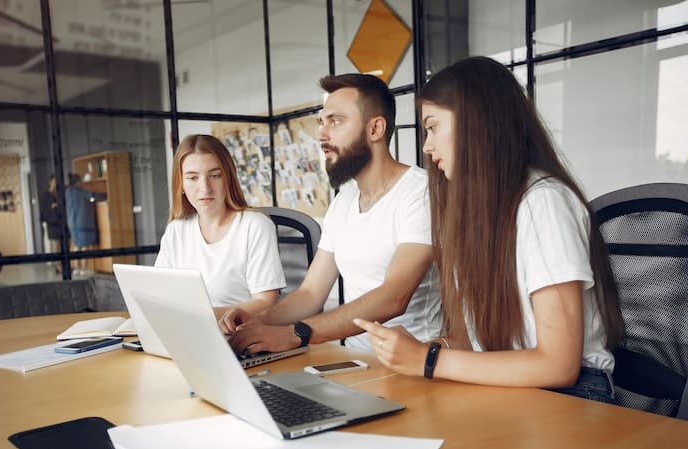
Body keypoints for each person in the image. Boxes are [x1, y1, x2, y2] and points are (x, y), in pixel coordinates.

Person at [354, 56, 624, 404]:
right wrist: (429, 348)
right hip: (508, 388)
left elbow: (559, 365)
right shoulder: (479, 214)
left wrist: (430, 360)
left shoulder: (543, 202)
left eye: (433, 127)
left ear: (476, 123)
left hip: (572, 395)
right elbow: (475, 343)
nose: (427, 146)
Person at [221, 73, 441, 354]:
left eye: (336, 121)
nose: (322, 135)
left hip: (411, 367)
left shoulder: (420, 193)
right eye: (322, 122)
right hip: (353, 362)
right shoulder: (344, 201)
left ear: (375, 129)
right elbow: (311, 293)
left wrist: (296, 333)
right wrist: (256, 322)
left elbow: (393, 297)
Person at [154, 134, 286, 320]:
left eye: (214, 176)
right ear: (181, 184)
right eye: (192, 178)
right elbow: (159, 294)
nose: (205, 188)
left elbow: (266, 302)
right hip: (187, 333)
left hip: (241, 336)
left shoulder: (255, 226)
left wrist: (204, 316)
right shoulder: (176, 230)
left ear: (228, 179)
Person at [65, 172, 99, 275]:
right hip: (83, 223)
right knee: (85, 247)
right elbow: (92, 196)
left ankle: (77, 268)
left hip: (72, 223)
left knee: (76, 246)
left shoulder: (68, 192)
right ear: (78, 182)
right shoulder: (81, 192)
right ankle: (84, 269)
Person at [40, 175, 63, 272]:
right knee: (56, 244)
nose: (55, 183)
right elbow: (44, 210)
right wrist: (52, 207)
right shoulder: (46, 195)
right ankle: (58, 265)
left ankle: (61, 263)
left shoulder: (58, 193)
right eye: (54, 181)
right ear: (50, 182)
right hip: (51, 222)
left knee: (62, 243)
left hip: (59, 220)